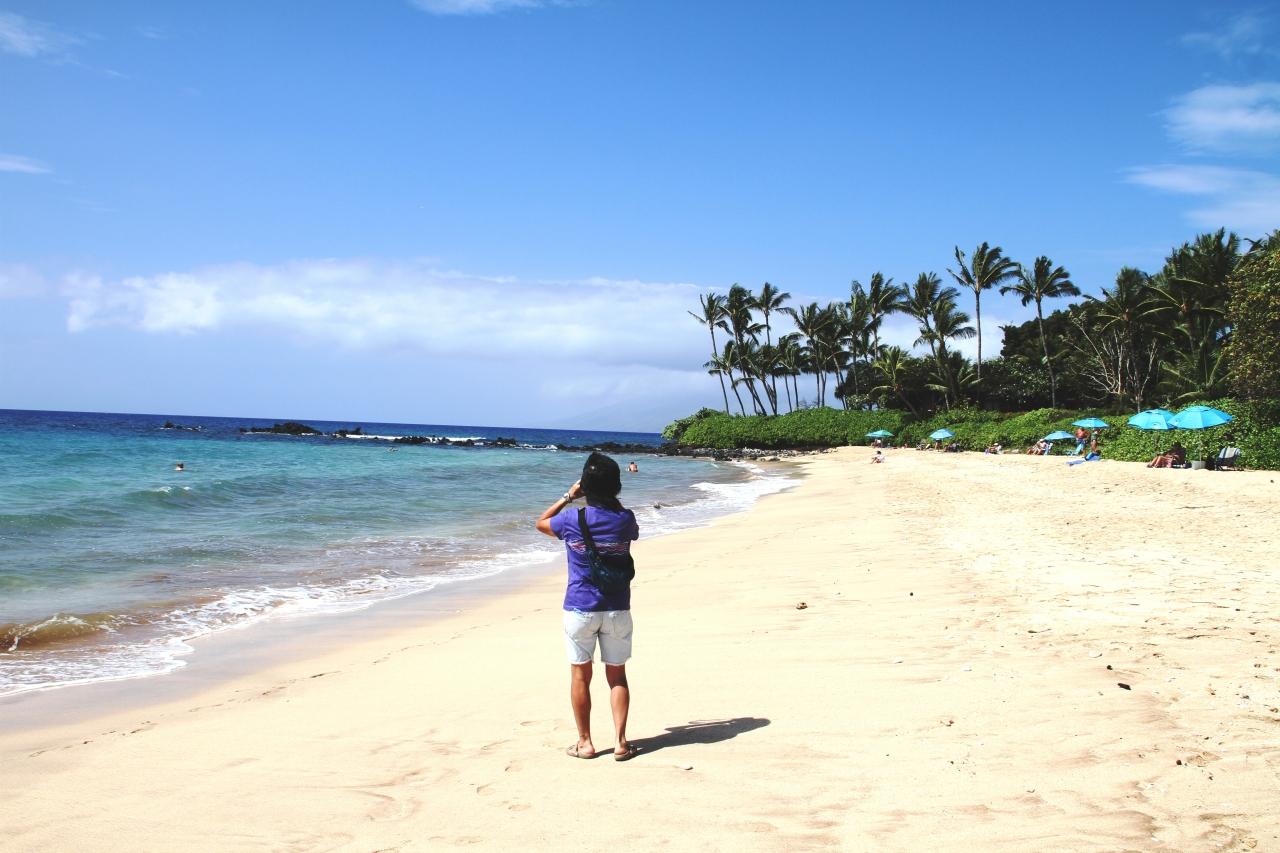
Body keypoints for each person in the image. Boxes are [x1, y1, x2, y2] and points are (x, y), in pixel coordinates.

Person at [535, 452, 639, 762]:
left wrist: (568, 496)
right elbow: (627, 528)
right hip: (617, 607)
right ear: (616, 486)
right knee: (617, 677)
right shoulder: (625, 518)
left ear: (585, 487)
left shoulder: (572, 519)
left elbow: (540, 523)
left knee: (581, 676)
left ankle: (585, 743)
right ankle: (620, 743)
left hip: (580, 607)